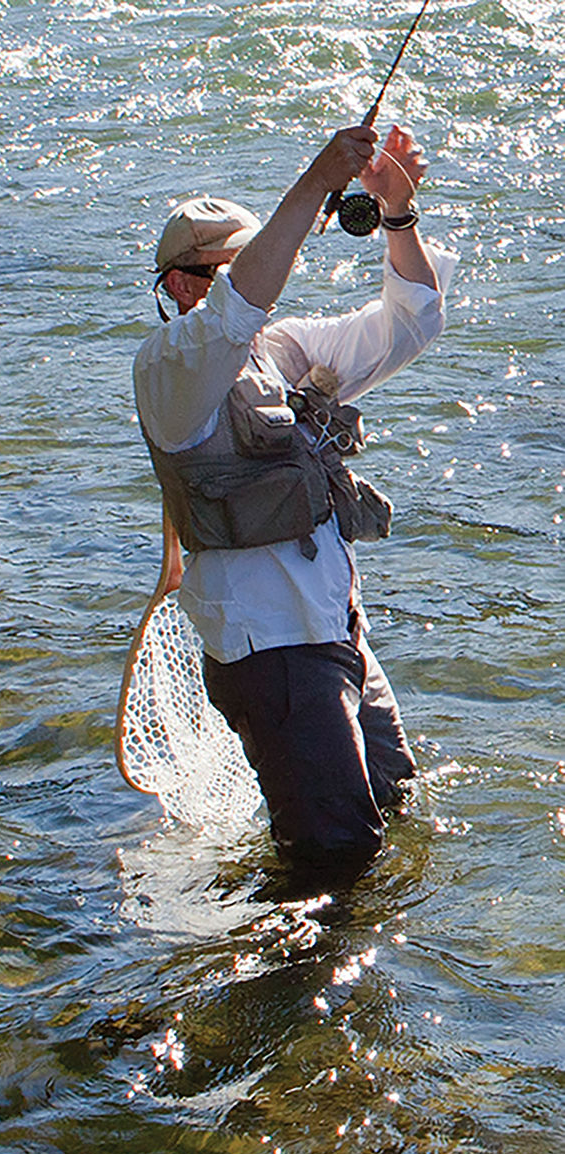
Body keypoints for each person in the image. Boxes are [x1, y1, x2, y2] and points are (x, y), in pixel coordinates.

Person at [133, 123, 457, 876]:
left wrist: (398, 213)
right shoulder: (170, 370)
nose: (267, 278)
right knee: (334, 863)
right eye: (234, 266)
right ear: (184, 285)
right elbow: (237, 309)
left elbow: (414, 323)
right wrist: (315, 183)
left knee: (394, 801)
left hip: (337, 632)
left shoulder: (284, 351)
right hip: (273, 654)